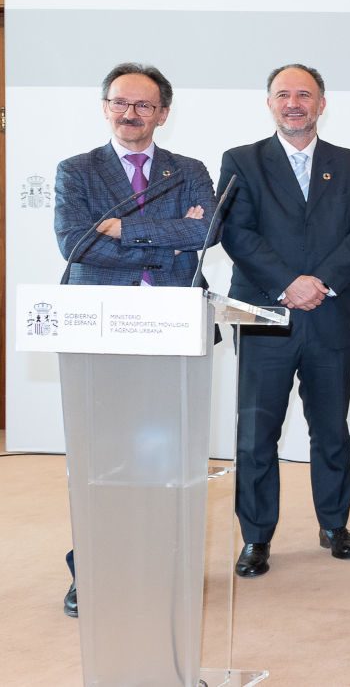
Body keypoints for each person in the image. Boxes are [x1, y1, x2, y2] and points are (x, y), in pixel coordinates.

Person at [52, 62, 214, 614]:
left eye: (144, 105)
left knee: (167, 454)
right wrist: (167, 244)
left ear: (162, 114)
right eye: (120, 102)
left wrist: (123, 228)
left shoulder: (188, 169)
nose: (130, 113)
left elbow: (205, 230)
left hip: (174, 325)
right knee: (101, 454)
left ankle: (163, 566)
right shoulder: (77, 170)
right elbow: (76, 245)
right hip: (101, 326)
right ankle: (92, 569)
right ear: (105, 108)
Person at [221, 63, 350, 577]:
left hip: (330, 313)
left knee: (331, 428)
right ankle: (256, 536)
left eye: (304, 95)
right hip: (263, 312)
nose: (294, 103)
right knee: (256, 433)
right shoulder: (242, 160)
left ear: (321, 104)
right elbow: (236, 232)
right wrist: (288, 282)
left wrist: (320, 283)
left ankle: (334, 524)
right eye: (283, 94)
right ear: (269, 103)